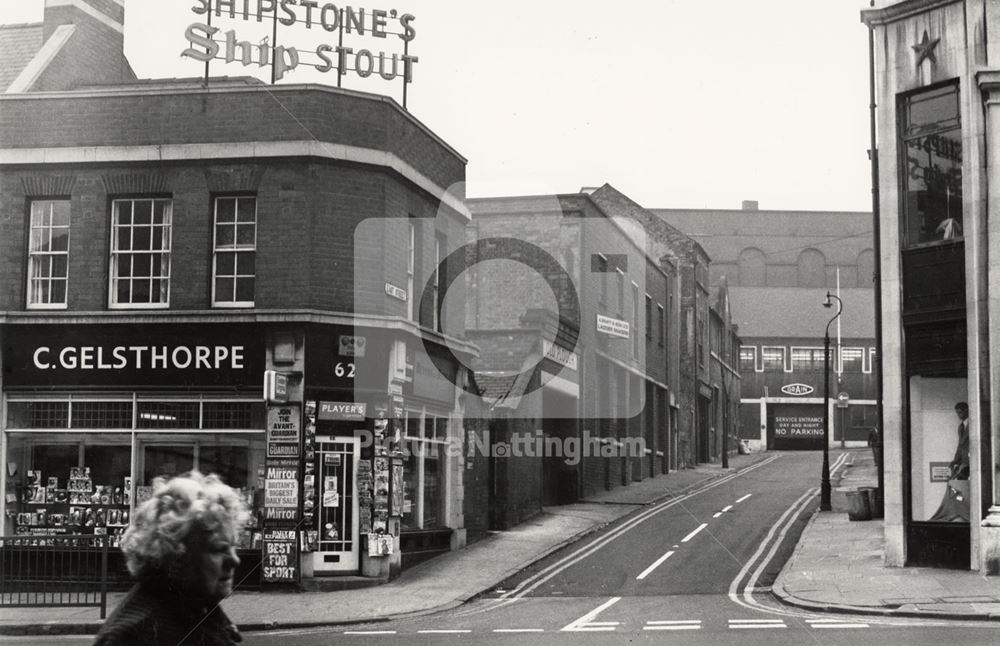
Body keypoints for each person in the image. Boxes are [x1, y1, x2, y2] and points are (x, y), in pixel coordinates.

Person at [93, 471, 248, 645]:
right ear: (175, 555)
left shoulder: (199, 605)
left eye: (232, 546)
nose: (234, 560)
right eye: (218, 549)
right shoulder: (134, 636)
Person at [929, 402, 970, 522]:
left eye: (961, 412)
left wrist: (965, 463)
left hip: (969, 463)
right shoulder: (961, 427)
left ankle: (964, 513)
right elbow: (960, 446)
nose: (959, 415)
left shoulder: (973, 425)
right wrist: (955, 460)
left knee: (961, 486)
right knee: (956, 485)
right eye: (957, 412)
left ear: (967, 411)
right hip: (963, 462)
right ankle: (958, 512)